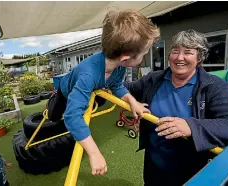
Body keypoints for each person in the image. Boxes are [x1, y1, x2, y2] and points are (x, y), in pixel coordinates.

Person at [125, 29, 228, 186]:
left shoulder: (214, 87)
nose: (179, 57)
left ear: (200, 57)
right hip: (153, 167)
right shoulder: (153, 80)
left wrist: (191, 126)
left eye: (188, 52)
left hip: (192, 170)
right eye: (175, 51)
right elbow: (122, 89)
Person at [47, 10, 160, 176]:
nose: (143, 58)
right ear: (125, 58)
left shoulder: (119, 67)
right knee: (55, 116)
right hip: (65, 90)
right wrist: (93, 152)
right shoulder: (88, 76)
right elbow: (72, 117)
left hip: (95, 86)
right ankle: (52, 100)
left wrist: (132, 101)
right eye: (143, 55)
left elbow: (116, 85)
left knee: (96, 101)